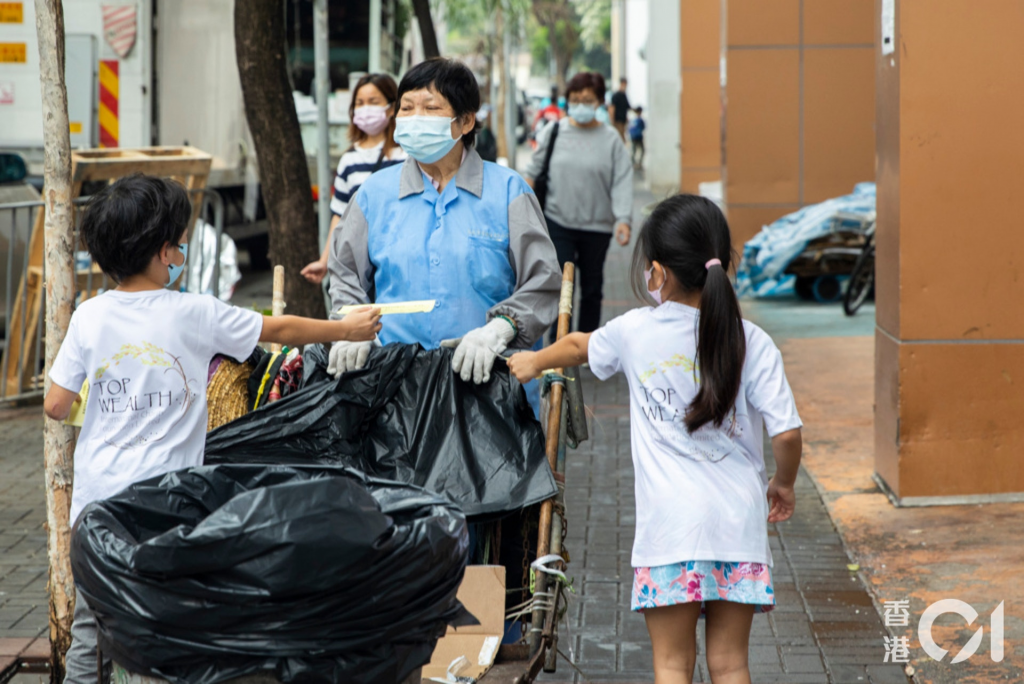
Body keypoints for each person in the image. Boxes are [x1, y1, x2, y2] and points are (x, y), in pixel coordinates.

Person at [42, 174, 382, 684]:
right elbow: (280, 330)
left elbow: (54, 403)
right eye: (178, 243)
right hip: (166, 507)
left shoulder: (89, 316)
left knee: (93, 632)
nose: (181, 252)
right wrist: (346, 330)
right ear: (163, 252)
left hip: (95, 510)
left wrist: (107, 402)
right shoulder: (194, 313)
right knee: (161, 624)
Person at [507, 194, 803, 684]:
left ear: (658, 272)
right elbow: (788, 433)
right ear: (723, 262)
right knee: (731, 664)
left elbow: (581, 346)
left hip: (669, 533)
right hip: (738, 525)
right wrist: (784, 483)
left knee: (671, 664)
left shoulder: (636, 331)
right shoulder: (752, 340)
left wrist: (534, 361)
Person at [327, 57, 561, 411]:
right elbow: (345, 273)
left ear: (465, 121)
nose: (414, 118)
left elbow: (542, 282)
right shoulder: (374, 194)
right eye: (406, 108)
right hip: (396, 392)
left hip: (489, 390)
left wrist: (498, 331)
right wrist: (350, 327)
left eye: (430, 108)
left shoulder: (509, 192)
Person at [524, 71, 633, 338]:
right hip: (558, 221)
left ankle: (585, 345)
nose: (580, 105)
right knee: (561, 285)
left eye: (587, 99)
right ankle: (559, 341)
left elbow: (621, 180)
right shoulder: (555, 131)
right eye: (575, 99)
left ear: (599, 102)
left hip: (598, 227)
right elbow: (532, 171)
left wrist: (623, 219)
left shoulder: (611, 140)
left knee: (593, 287)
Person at [301, 73, 407, 285]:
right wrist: (324, 262)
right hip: (360, 265)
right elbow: (339, 216)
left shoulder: (405, 156)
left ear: (391, 106)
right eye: (360, 103)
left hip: (400, 260)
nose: (365, 108)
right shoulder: (349, 160)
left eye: (373, 102)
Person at [610, 77, 633, 142]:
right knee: (620, 138)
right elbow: (612, 108)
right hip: (618, 120)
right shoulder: (616, 95)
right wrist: (612, 120)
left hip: (623, 120)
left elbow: (627, 107)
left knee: (622, 136)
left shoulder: (624, 95)